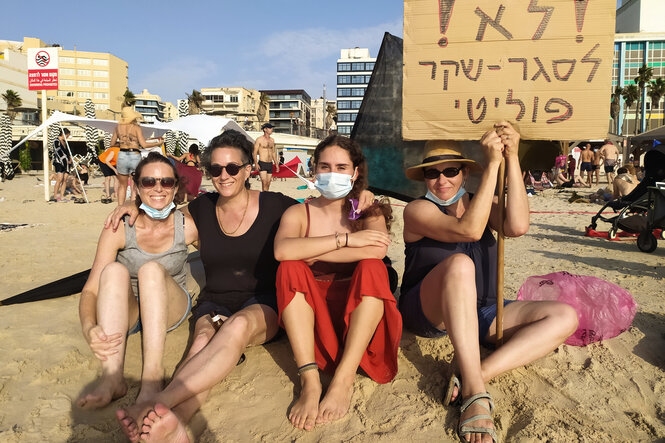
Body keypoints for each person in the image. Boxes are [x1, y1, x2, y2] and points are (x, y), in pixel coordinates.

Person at [106, 130, 377, 442]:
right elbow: (161, 219)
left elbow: (320, 209)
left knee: (236, 327)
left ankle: (160, 404)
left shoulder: (277, 206)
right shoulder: (201, 208)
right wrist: (132, 205)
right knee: (202, 339)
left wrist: (361, 197)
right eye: (216, 169)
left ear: (250, 169)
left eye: (233, 167)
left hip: (264, 303)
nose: (224, 175)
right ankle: (175, 423)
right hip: (214, 301)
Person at [400, 122, 578, 443]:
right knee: (459, 264)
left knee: (564, 316)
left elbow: (518, 225)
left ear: (464, 173)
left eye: (451, 170)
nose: (441, 179)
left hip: (481, 309)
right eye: (432, 173)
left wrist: (511, 159)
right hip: (428, 311)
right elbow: (468, 230)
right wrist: (491, 164)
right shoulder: (417, 210)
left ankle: (474, 375)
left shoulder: (480, 202)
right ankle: (476, 393)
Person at [273, 135, 402, 430]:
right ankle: (310, 382)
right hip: (313, 312)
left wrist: (312, 251)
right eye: (325, 166)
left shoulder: (368, 209)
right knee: (290, 269)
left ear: (355, 172)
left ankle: (343, 380)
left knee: (372, 268)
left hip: (358, 310)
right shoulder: (298, 212)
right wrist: (346, 240)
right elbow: (283, 251)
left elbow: (376, 249)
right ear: (314, 169)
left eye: (341, 166)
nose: (332, 173)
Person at [76, 152, 195, 412]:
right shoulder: (119, 226)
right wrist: (88, 328)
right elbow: (91, 289)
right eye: (149, 182)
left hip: (170, 308)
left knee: (151, 270)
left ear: (175, 187)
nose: (158, 189)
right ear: (137, 186)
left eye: (166, 182)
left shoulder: (186, 225)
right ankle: (112, 379)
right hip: (128, 314)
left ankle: (151, 381)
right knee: (113, 271)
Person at [111, 107, 164, 205]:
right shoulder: (136, 128)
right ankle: (132, 206)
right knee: (134, 185)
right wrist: (157, 144)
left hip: (122, 155)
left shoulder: (117, 128)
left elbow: (112, 143)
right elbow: (144, 145)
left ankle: (120, 208)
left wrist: (122, 144)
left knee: (122, 185)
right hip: (134, 155)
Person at [253, 122, 279, 191]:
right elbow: (254, 152)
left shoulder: (272, 140)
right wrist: (256, 163)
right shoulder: (259, 139)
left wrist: (276, 164)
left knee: (268, 183)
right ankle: (264, 198)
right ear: (265, 129)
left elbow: (273, 152)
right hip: (262, 163)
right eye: (270, 128)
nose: (272, 129)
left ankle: (266, 196)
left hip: (270, 163)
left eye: (272, 128)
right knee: (264, 182)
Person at [51, 128, 72, 202]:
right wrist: (64, 159)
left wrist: (70, 159)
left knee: (65, 179)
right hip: (59, 162)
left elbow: (67, 152)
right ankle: (55, 196)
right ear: (63, 134)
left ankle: (62, 195)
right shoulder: (56, 141)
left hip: (67, 163)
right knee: (60, 179)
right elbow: (57, 151)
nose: (67, 137)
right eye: (67, 136)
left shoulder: (65, 142)